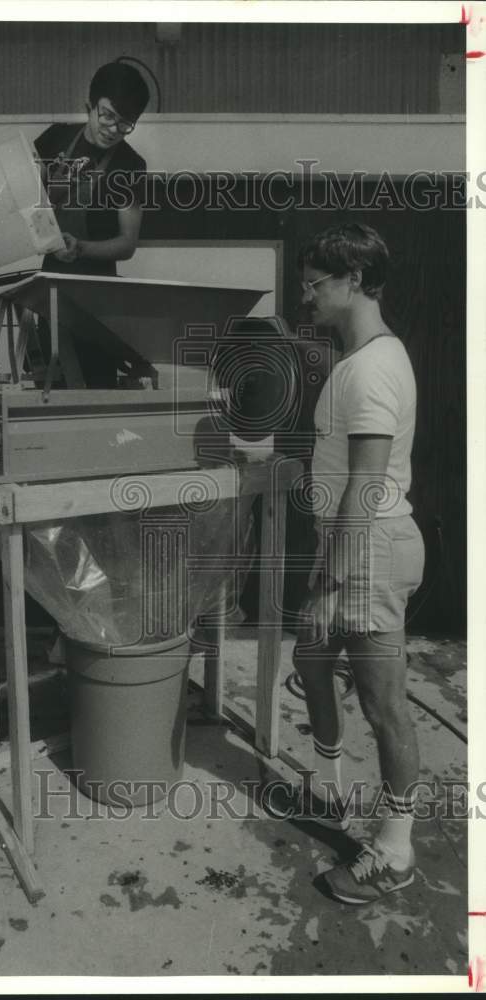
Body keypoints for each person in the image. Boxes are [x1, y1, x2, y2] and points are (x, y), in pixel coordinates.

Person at [263, 222, 425, 905]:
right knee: (309, 658)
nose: (305, 296)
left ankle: (394, 850)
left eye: (314, 285)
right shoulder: (354, 360)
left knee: (384, 706)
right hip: (352, 546)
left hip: (369, 551)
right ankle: (326, 780)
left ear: (352, 282)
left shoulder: (374, 370)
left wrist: (328, 573)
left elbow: (364, 483)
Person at [32, 61, 149, 387]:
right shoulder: (54, 140)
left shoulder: (130, 165)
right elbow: (25, 199)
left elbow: (127, 244)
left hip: (99, 305)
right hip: (49, 295)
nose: (113, 129)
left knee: (96, 398)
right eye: (107, 115)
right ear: (90, 106)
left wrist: (81, 247)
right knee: (49, 397)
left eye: (125, 124)